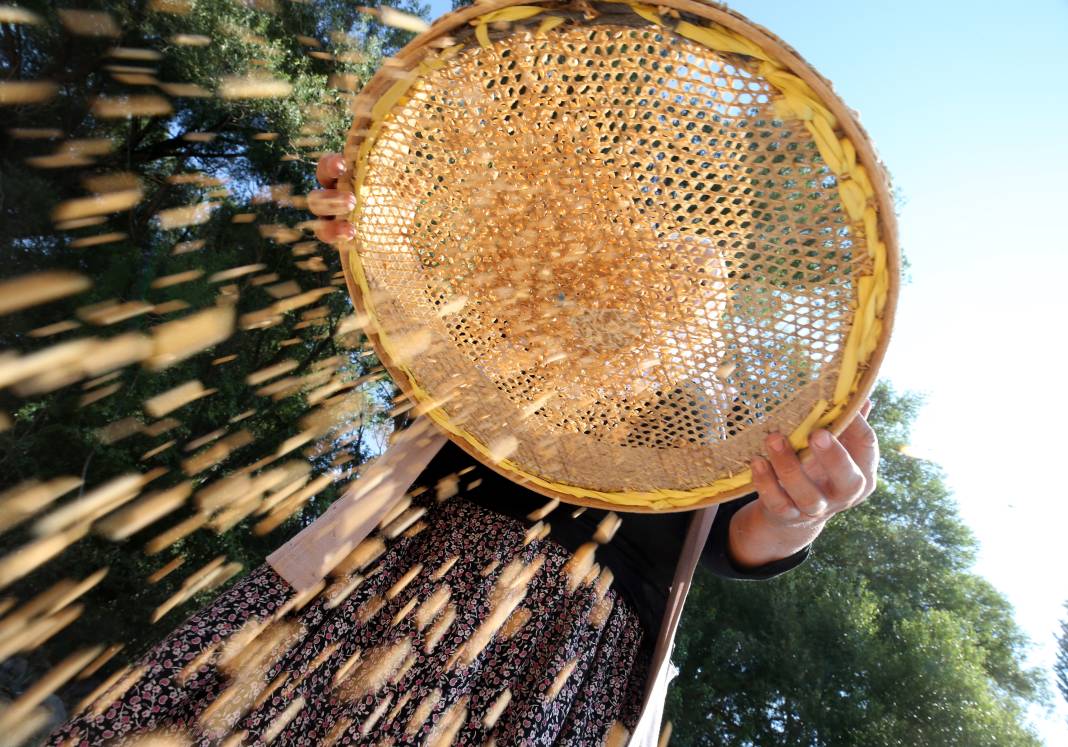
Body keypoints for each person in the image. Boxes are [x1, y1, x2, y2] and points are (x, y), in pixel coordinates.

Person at [48, 156, 879, 747]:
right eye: (657, 267)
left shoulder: (734, 428)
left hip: (559, 644)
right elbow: (418, 349)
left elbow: (752, 539)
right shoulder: (524, 342)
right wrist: (369, 239)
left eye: (697, 283)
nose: (667, 292)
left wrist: (802, 512)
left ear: (712, 320)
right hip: (384, 570)